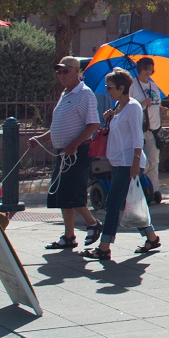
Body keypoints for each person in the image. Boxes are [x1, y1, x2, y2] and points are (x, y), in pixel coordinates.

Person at [86, 68, 146, 264]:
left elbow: (138, 136)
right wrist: (110, 117)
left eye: (110, 87)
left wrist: (136, 162)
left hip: (129, 163)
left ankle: (104, 246)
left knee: (112, 203)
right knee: (133, 203)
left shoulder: (133, 107)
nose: (107, 90)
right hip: (118, 161)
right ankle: (152, 238)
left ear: (122, 88)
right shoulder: (118, 108)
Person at [46, 56, 104, 251]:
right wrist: (41, 138)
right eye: (59, 71)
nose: (61, 75)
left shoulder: (85, 94)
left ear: (77, 72)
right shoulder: (65, 93)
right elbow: (59, 125)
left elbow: (94, 124)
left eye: (66, 71)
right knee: (63, 195)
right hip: (64, 152)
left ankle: (92, 223)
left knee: (70, 192)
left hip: (78, 151)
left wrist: (75, 144)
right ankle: (69, 235)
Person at [127, 56, 167, 204]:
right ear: (139, 69)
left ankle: (154, 191)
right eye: (145, 68)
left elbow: (156, 103)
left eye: (150, 69)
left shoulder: (153, 86)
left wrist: (161, 108)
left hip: (154, 128)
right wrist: (142, 103)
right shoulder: (132, 85)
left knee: (153, 161)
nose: (148, 72)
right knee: (142, 163)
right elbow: (127, 106)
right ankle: (138, 189)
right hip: (139, 129)